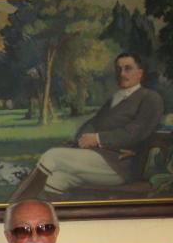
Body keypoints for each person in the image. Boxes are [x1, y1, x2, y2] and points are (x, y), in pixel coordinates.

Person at [11, 52, 164, 201]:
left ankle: (12, 205)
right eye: (118, 69)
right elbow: (93, 123)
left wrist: (97, 139)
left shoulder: (150, 98)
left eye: (128, 68)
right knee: (56, 179)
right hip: (99, 160)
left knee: (52, 156)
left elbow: (134, 133)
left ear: (140, 73)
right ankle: (47, 216)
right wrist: (80, 139)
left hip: (122, 166)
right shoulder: (115, 98)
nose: (122, 73)